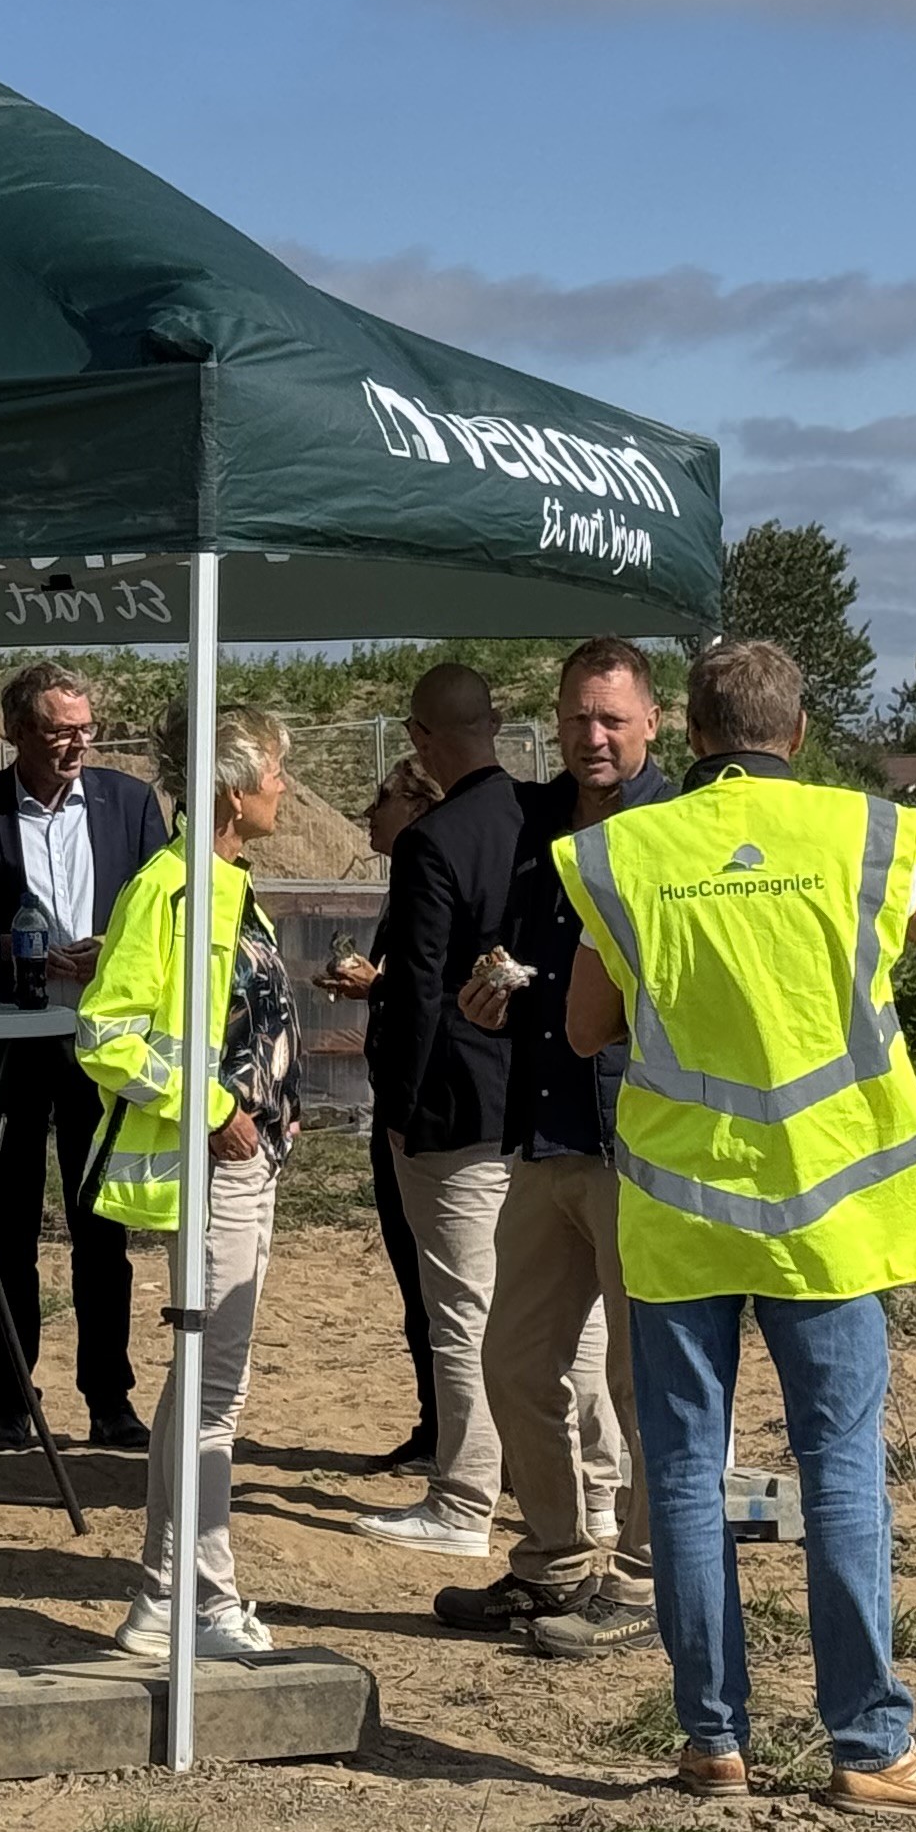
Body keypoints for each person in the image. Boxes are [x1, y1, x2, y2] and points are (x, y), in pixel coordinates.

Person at [555, 638, 916, 1816]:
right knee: (841, 1470)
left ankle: (714, 1743)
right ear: (797, 734)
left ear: (689, 735)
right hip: (829, 1216)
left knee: (688, 1474)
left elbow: (587, 1027)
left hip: (680, 1212)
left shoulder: (630, 853)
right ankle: (871, 1750)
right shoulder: (860, 836)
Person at [439, 637, 675, 1649]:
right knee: (517, 1363)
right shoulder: (540, 826)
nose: (593, 737)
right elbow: (533, 968)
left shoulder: (677, 829)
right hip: (548, 1136)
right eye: (578, 717)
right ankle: (555, 1562)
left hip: (643, 1150)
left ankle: (647, 1579)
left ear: (652, 723)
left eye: (613, 718)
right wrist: (491, 990)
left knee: (642, 1378)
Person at [76, 707, 297, 1660]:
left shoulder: (226, 888)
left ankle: (168, 1598)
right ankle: (201, 1601)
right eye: (277, 772)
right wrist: (209, 1108)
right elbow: (105, 1033)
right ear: (233, 786)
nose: (286, 788)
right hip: (210, 1168)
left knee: (201, 1393)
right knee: (212, 1397)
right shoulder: (172, 891)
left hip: (242, 1165)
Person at [0, 661, 169, 1450]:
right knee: (9, 1223)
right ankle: (10, 1399)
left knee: (103, 1226)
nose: (77, 744)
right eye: (60, 730)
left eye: (85, 728)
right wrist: (15, 952)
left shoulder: (130, 804)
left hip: (105, 1043)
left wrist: (119, 952)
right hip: (10, 1044)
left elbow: (169, 911)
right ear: (17, 731)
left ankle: (110, 1398)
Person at [352, 663, 528, 1560]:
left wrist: (400, 1107)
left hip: (452, 1107)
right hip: (534, 1101)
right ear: (496, 723)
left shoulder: (435, 841)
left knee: (462, 1308)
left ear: (421, 738)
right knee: (555, 1313)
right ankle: (589, 1492)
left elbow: (417, 992)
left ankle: (464, 1501)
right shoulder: (542, 818)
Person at [318, 759, 444, 1472]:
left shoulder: (437, 869)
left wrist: (383, 983)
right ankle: (436, 1423)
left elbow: (449, 973)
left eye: (382, 797)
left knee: (439, 1278)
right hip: (394, 1098)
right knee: (411, 1272)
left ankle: (457, 1433)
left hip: (426, 1109)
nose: (369, 811)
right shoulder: (408, 877)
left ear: (419, 804)